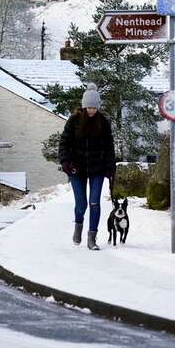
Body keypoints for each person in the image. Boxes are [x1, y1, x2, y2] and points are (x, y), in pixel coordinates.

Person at [58, 83, 116, 250]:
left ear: (98, 107)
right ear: (84, 106)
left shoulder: (103, 122)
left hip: (97, 168)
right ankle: (78, 225)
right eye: (89, 107)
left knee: (95, 203)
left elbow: (109, 147)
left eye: (94, 107)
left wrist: (110, 167)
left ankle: (92, 237)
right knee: (81, 204)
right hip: (77, 169)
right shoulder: (74, 121)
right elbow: (63, 143)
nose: (91, 110)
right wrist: (66, 162)